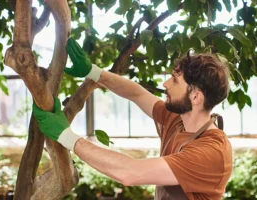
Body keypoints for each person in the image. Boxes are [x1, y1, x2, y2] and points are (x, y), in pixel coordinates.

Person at [33, 37, 233, 200]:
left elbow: (130, 172)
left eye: (174, 80)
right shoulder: (179, 120)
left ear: (196, 96)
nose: (165, 83)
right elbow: (137, 94)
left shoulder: (210, 152)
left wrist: (66, 136)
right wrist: (94, 72)